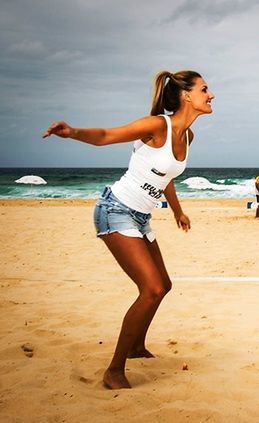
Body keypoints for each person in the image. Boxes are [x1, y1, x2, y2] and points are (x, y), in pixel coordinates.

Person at [42, 70, 215, 389]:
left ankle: (136, 347)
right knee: (149, 290)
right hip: (115, 209)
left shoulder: (188, 137)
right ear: (186, 96)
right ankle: (114, 370)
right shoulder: (156, 126)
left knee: (163, 285)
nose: (211, 95)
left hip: (141, 217)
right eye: (205, 89)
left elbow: (166, 178)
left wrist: (178, 211)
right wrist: (72, 132)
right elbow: (108, 136)